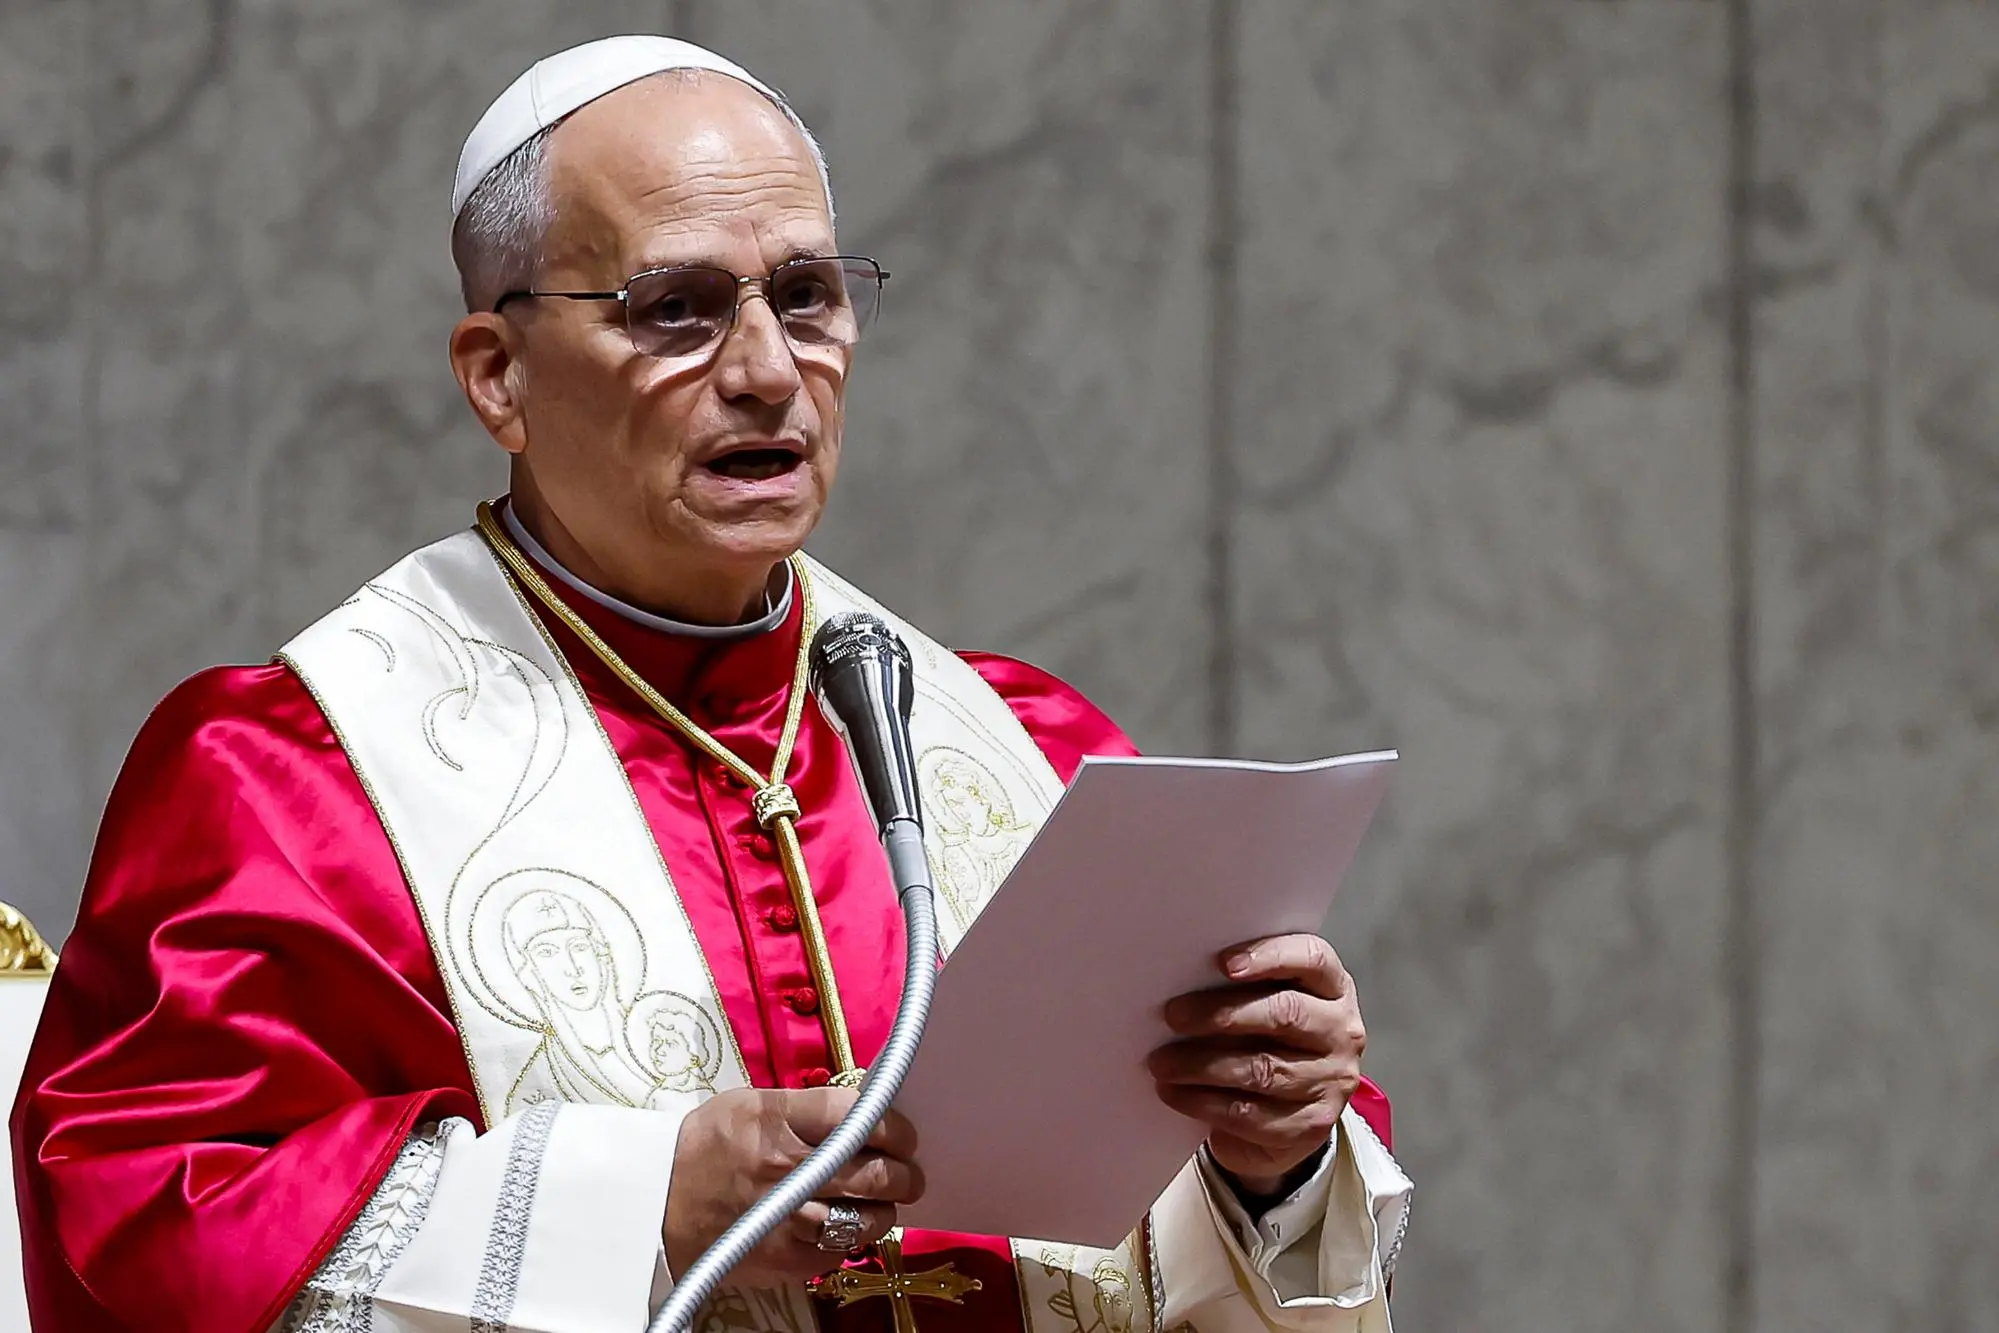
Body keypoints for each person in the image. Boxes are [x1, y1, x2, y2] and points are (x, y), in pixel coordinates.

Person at [11, 36, 1411, 1333]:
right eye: (674, 309)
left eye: (805, 296)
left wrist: (1271, 1155)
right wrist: (646, 1201)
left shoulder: (1027, 749)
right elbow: (150, 1221)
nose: (766, 373)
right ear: (497, 375)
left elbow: (1135, 1246)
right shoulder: (292, 775)